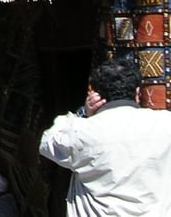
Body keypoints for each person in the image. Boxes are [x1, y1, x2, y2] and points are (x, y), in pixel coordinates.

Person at [39, 55, 171, 216]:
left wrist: (82, 113)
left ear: (95, 94)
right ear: (138, 92)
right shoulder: (165, 124)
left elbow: (47, 142)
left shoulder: (81, 131)